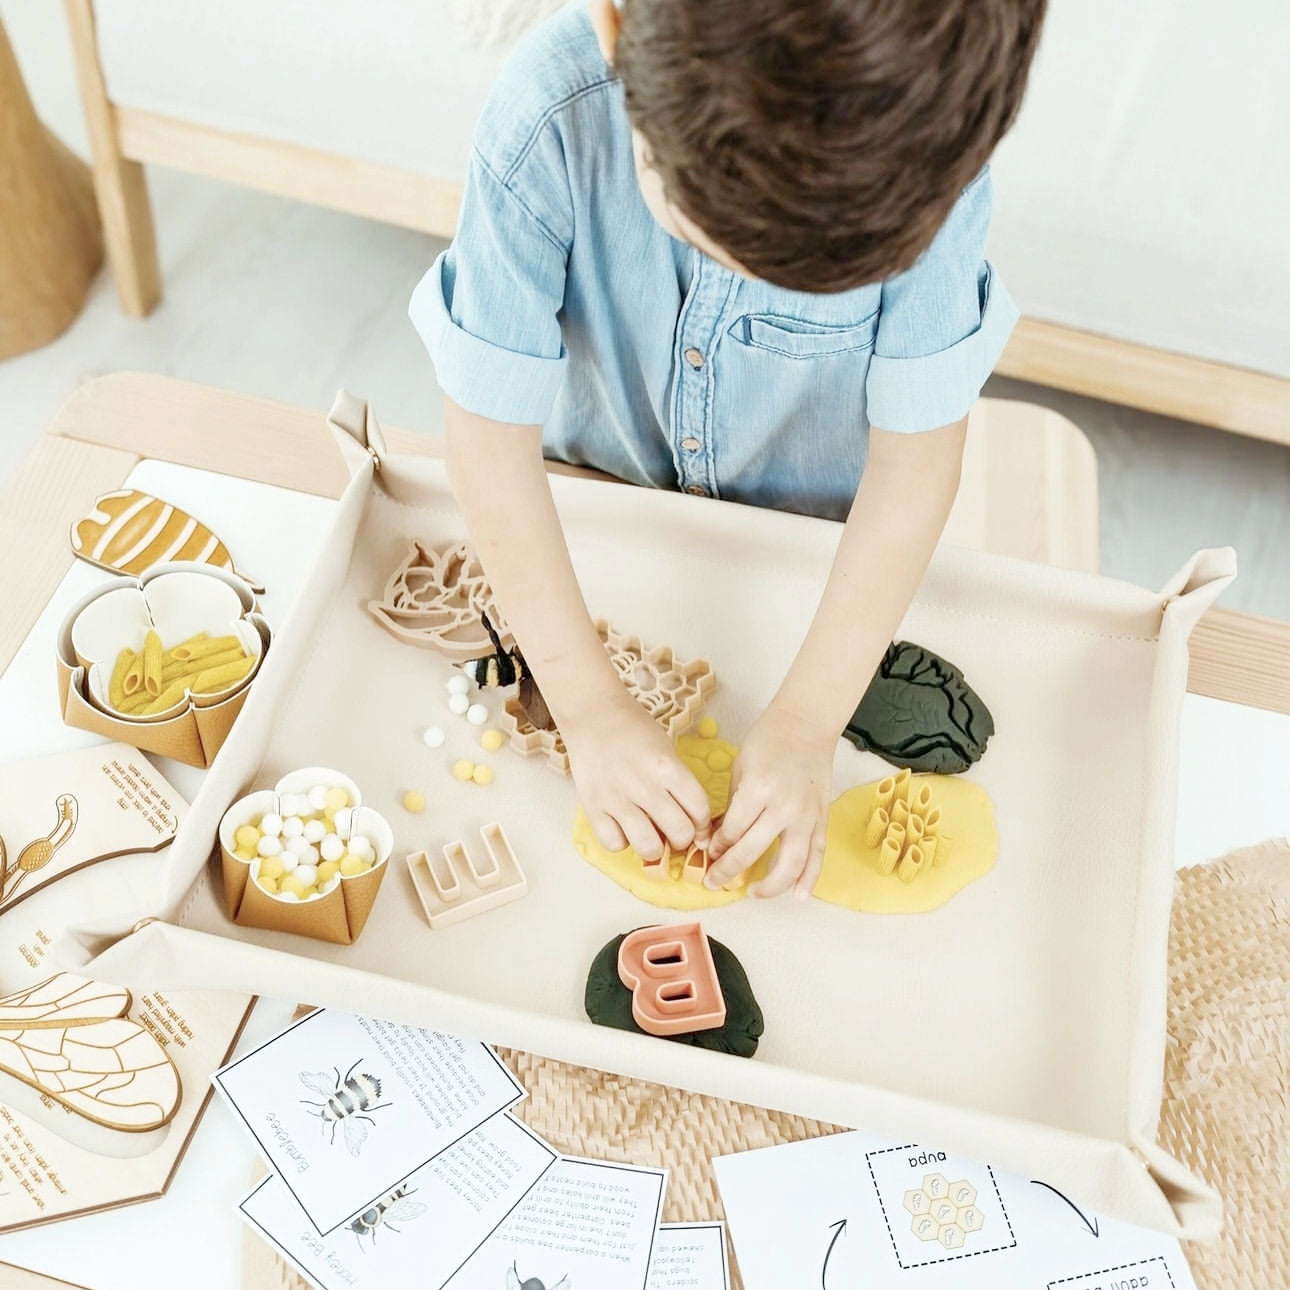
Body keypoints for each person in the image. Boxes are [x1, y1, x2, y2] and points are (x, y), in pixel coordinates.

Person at [410, 0, 1045, 898]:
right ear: (617, 25)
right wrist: (587, 707)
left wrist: (807, 722)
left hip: (820, 558)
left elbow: (914, 466)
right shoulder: (547, 117)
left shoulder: (930, 162)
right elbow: (486, 440)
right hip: (594, 509)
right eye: (703, 232)